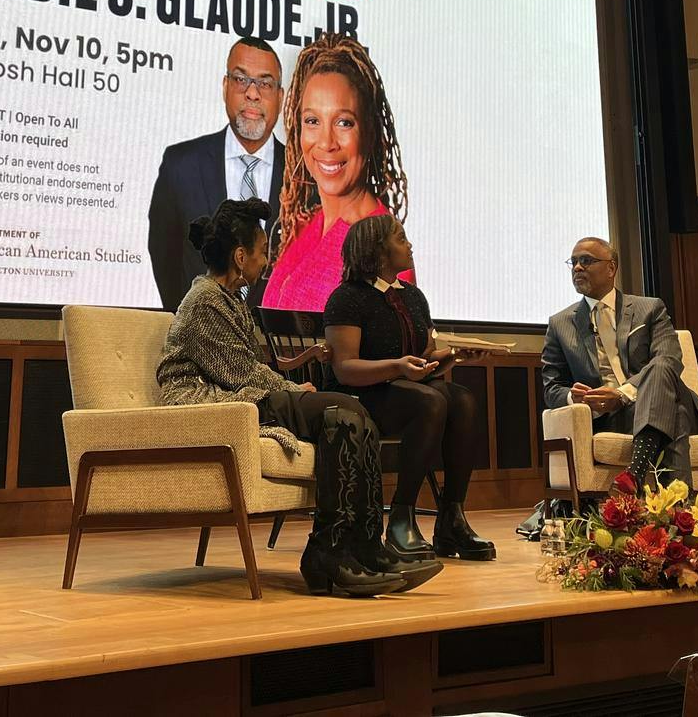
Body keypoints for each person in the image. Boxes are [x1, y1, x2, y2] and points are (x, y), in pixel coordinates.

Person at [158, 199, 440, 597]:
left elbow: (251, 367)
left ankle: (363, 545)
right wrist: (295, 389)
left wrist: (293, 382)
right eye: (260, 253)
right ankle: (328, 553)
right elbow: (240, 372)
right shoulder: (204, 300)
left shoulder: (229, 300)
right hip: (212, 403)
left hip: (242, 395)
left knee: (352, 411)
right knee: (342, 411)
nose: (265, 261)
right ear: (240, 256)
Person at [323, 214, 495, 562]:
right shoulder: (347, 297)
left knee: (461, 400)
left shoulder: (414, 297)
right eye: (401, 239)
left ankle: (452, 517)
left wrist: (455, 356)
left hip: (407, 391)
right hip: (361, 395)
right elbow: (345, 368)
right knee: (430, 401)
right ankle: (402, 516)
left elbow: (425, 358)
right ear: (379, 250)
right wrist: (398, 367)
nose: (410, 245)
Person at [258, 34, 411, 312]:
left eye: (344, 122)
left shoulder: (383, 247)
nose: (326, 143)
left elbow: (397, 349)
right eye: (313, 121)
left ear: (369, 132)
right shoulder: (303, 227)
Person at [539, 237, 698, 490]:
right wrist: (576, 398)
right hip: (611, 417)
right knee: (676, 413)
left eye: (586, 260)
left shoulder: (650, 309)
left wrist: (621, 393)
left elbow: (670, 360)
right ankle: (679, 511)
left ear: (611, 268)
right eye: (573, 262)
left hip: (649, 398)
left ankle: (635, 474)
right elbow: (552, 389)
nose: (577, 268)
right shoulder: (560, 324)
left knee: (661, 369)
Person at [147, 37, 287, 309]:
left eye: (265, 83)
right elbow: (164, 256)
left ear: (280, 97)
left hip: (280, 345)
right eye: (241, 79)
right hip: (199, 339)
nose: (253, 94)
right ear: (225, 87)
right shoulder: (180, 165)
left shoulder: (306, 175)